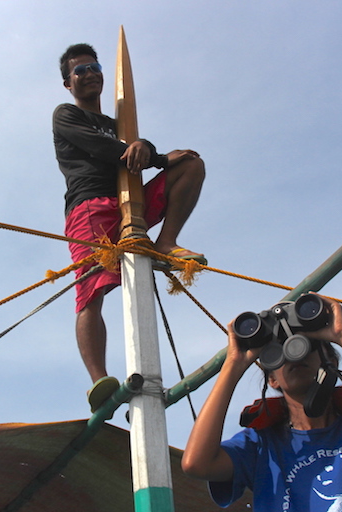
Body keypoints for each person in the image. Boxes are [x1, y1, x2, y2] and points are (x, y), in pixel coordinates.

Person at [53, 43, 206, 412]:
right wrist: (151, 155)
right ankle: (99, 381)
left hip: (130, 201)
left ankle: (166, 242)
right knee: (91, 291)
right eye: (80, 71)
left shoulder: (120, 125)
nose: (89, 74)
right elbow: (111, 151)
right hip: (90, 206)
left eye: (94, 67)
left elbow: (131, 150)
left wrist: (146, 147)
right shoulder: (66, 115)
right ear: (67, 83)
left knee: (190, 164)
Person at [182, 294, 342, 511]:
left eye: (302, 344)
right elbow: (196, 464)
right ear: (272, 379)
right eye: (278, 353)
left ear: (329, 360)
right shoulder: (261, 446)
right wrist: (233, 365)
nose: (292, 354)